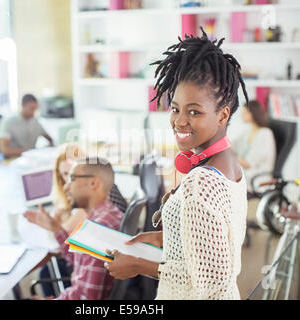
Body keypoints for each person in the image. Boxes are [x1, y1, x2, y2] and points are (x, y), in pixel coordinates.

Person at [104, 29, 249, 299]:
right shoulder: (231, 164)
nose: (179, 121)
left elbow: (207, 280)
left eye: (194, 111)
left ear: (222, 114)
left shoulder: (201, 182)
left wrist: (136, 264)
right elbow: (214, 246)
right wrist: (164, 238)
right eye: (175, 108)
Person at [24, 157, 123, 300]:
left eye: (72, 179)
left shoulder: (97, 231)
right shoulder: (107, 214)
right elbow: (80, 259)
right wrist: (57, 229)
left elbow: (86, 298)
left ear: (93, 183)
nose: (65, 187)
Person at [231, 100, 276, 193]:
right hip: (245, 173)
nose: (242, 115)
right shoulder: (248, 131)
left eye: (245, 112)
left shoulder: (265, 134)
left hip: (256, 176)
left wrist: (229, 155)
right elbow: (232, 146)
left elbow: (248, 164)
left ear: (253, 114)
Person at [0, 93, 54, 158]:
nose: (34, 112)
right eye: (31, 108)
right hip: (13, 159)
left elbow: (50, 139)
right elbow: (4, 150)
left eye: (35, 109)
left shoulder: (35, 121)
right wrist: (30, 151)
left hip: (31, 159)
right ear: (23, 106)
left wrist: (45, 149)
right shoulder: (8, 122)